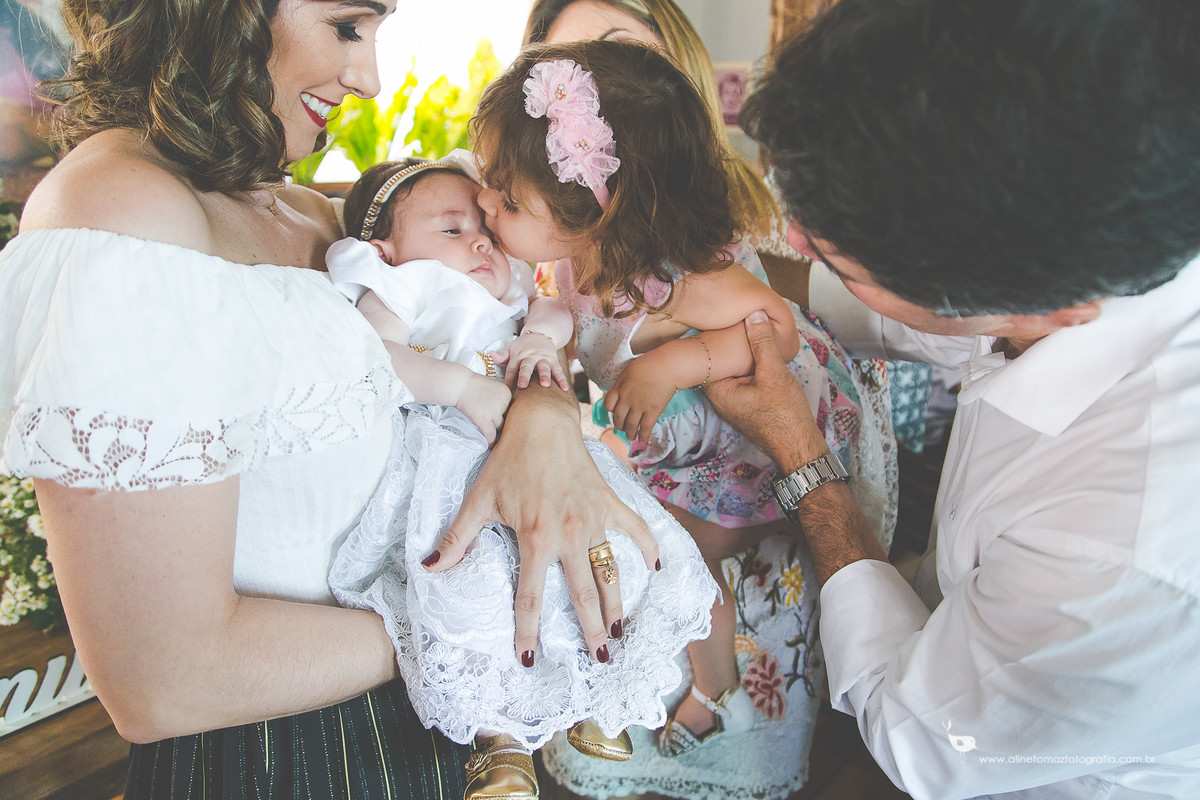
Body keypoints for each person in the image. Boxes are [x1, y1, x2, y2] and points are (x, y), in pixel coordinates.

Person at [0, 1, 656, 797]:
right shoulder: (120, 214)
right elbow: (163, 680)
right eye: (347, 26)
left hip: (438, 751)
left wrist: (543, 420)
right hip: (275, 769)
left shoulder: (311, 213)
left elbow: (478, 344)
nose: (370, 81)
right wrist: (481, 622)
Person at [705, 1, 1200, 799]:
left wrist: (805, 460)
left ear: (1050, 307)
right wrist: (724, 283)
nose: (792, 242)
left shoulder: (1124, 554)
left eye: (840, 253)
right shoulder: (1078, 210)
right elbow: (918, 315)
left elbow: (922, 737)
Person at [468, 36, 893, 799]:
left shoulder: (677, 282)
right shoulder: (576, 258)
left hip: (757, 448)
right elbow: (560, 313)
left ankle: (715, 683)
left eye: (505, 199)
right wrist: (538, 335)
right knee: (661, 546)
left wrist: (671, 364)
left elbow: (775, 326)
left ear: (592, 205)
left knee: (680, 557)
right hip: (693, 448)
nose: (484, 207)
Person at [323, 153, 718, 800]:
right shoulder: (405, 285)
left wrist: (539, 339)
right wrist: (459, 389)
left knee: (596, 551)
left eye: (483, 226)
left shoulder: (505, 289)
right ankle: (498, 744)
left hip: (543, 449)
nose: (480, 240)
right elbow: (375, 358)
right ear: (386, 249)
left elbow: (556, 312)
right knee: (479, 585)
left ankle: (600, 689)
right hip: (452, 458)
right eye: (451, 230)